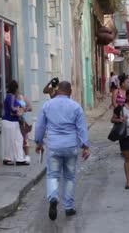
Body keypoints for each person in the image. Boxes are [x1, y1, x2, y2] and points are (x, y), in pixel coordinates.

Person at [35, 81, 91, 220]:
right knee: (70, 177)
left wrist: (39, 142)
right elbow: (81, 128)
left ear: (58, 90)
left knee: (53, 175)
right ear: (70, 92)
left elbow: (40, 126)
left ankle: (53, 198)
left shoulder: (47, 105)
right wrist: (85, 146)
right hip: (71, 146)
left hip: (54, 146)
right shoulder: (76, 107)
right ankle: (69, 207)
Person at [2, 80, 30, 166]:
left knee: (17, 139)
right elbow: (12, 108)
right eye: (17, 87)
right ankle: (10, 158)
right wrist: (19, 110)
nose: (18, 89)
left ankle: (17, 159)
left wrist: (22, 108)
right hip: (10, 121)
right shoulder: (11, 97)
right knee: (12, 140)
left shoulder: (10, 96)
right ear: (15, 88)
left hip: (12, 121)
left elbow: (17, 107)